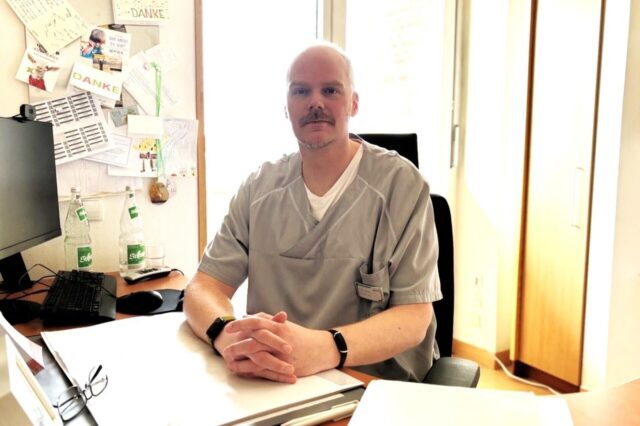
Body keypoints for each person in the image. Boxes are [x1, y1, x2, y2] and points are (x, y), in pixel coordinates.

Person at [183, 41, 442, 384]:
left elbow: (414, 316)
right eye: (301, 91)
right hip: (274, 383)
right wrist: (226, 334)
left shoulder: (401, 186)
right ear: (287, 107)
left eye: (330, 90)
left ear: (354, 103)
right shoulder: (259, 189)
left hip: (371, 386)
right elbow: (202, 288)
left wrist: (326, 348)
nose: (315, 102)